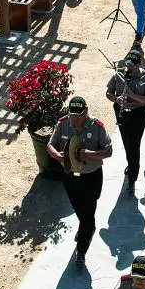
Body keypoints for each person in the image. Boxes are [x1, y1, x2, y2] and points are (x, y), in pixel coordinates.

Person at [49, 96, 113, 261]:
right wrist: (58, 156)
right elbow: (50, 144)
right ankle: (87, 227)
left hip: (91, 176)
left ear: (86, 112)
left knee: (88, 212)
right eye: (72, 115)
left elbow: (108, 151)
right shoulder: (63, 123)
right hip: (69, 175)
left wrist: (89, 154)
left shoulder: (97, 126)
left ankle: (81, 249)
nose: (75, 119)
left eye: (79, 115)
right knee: (79, 208)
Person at [106, 48, 145, 195]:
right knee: (126, 141)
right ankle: (131, 163)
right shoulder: (119, 74)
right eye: (128, 64)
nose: (129, 67)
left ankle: (132, 179)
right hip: (121, 111)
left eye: (132, 65)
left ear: (139, 64)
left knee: (134, 145)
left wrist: (134, 96)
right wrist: (116, 98)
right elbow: (108, 93)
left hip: (138, 113)